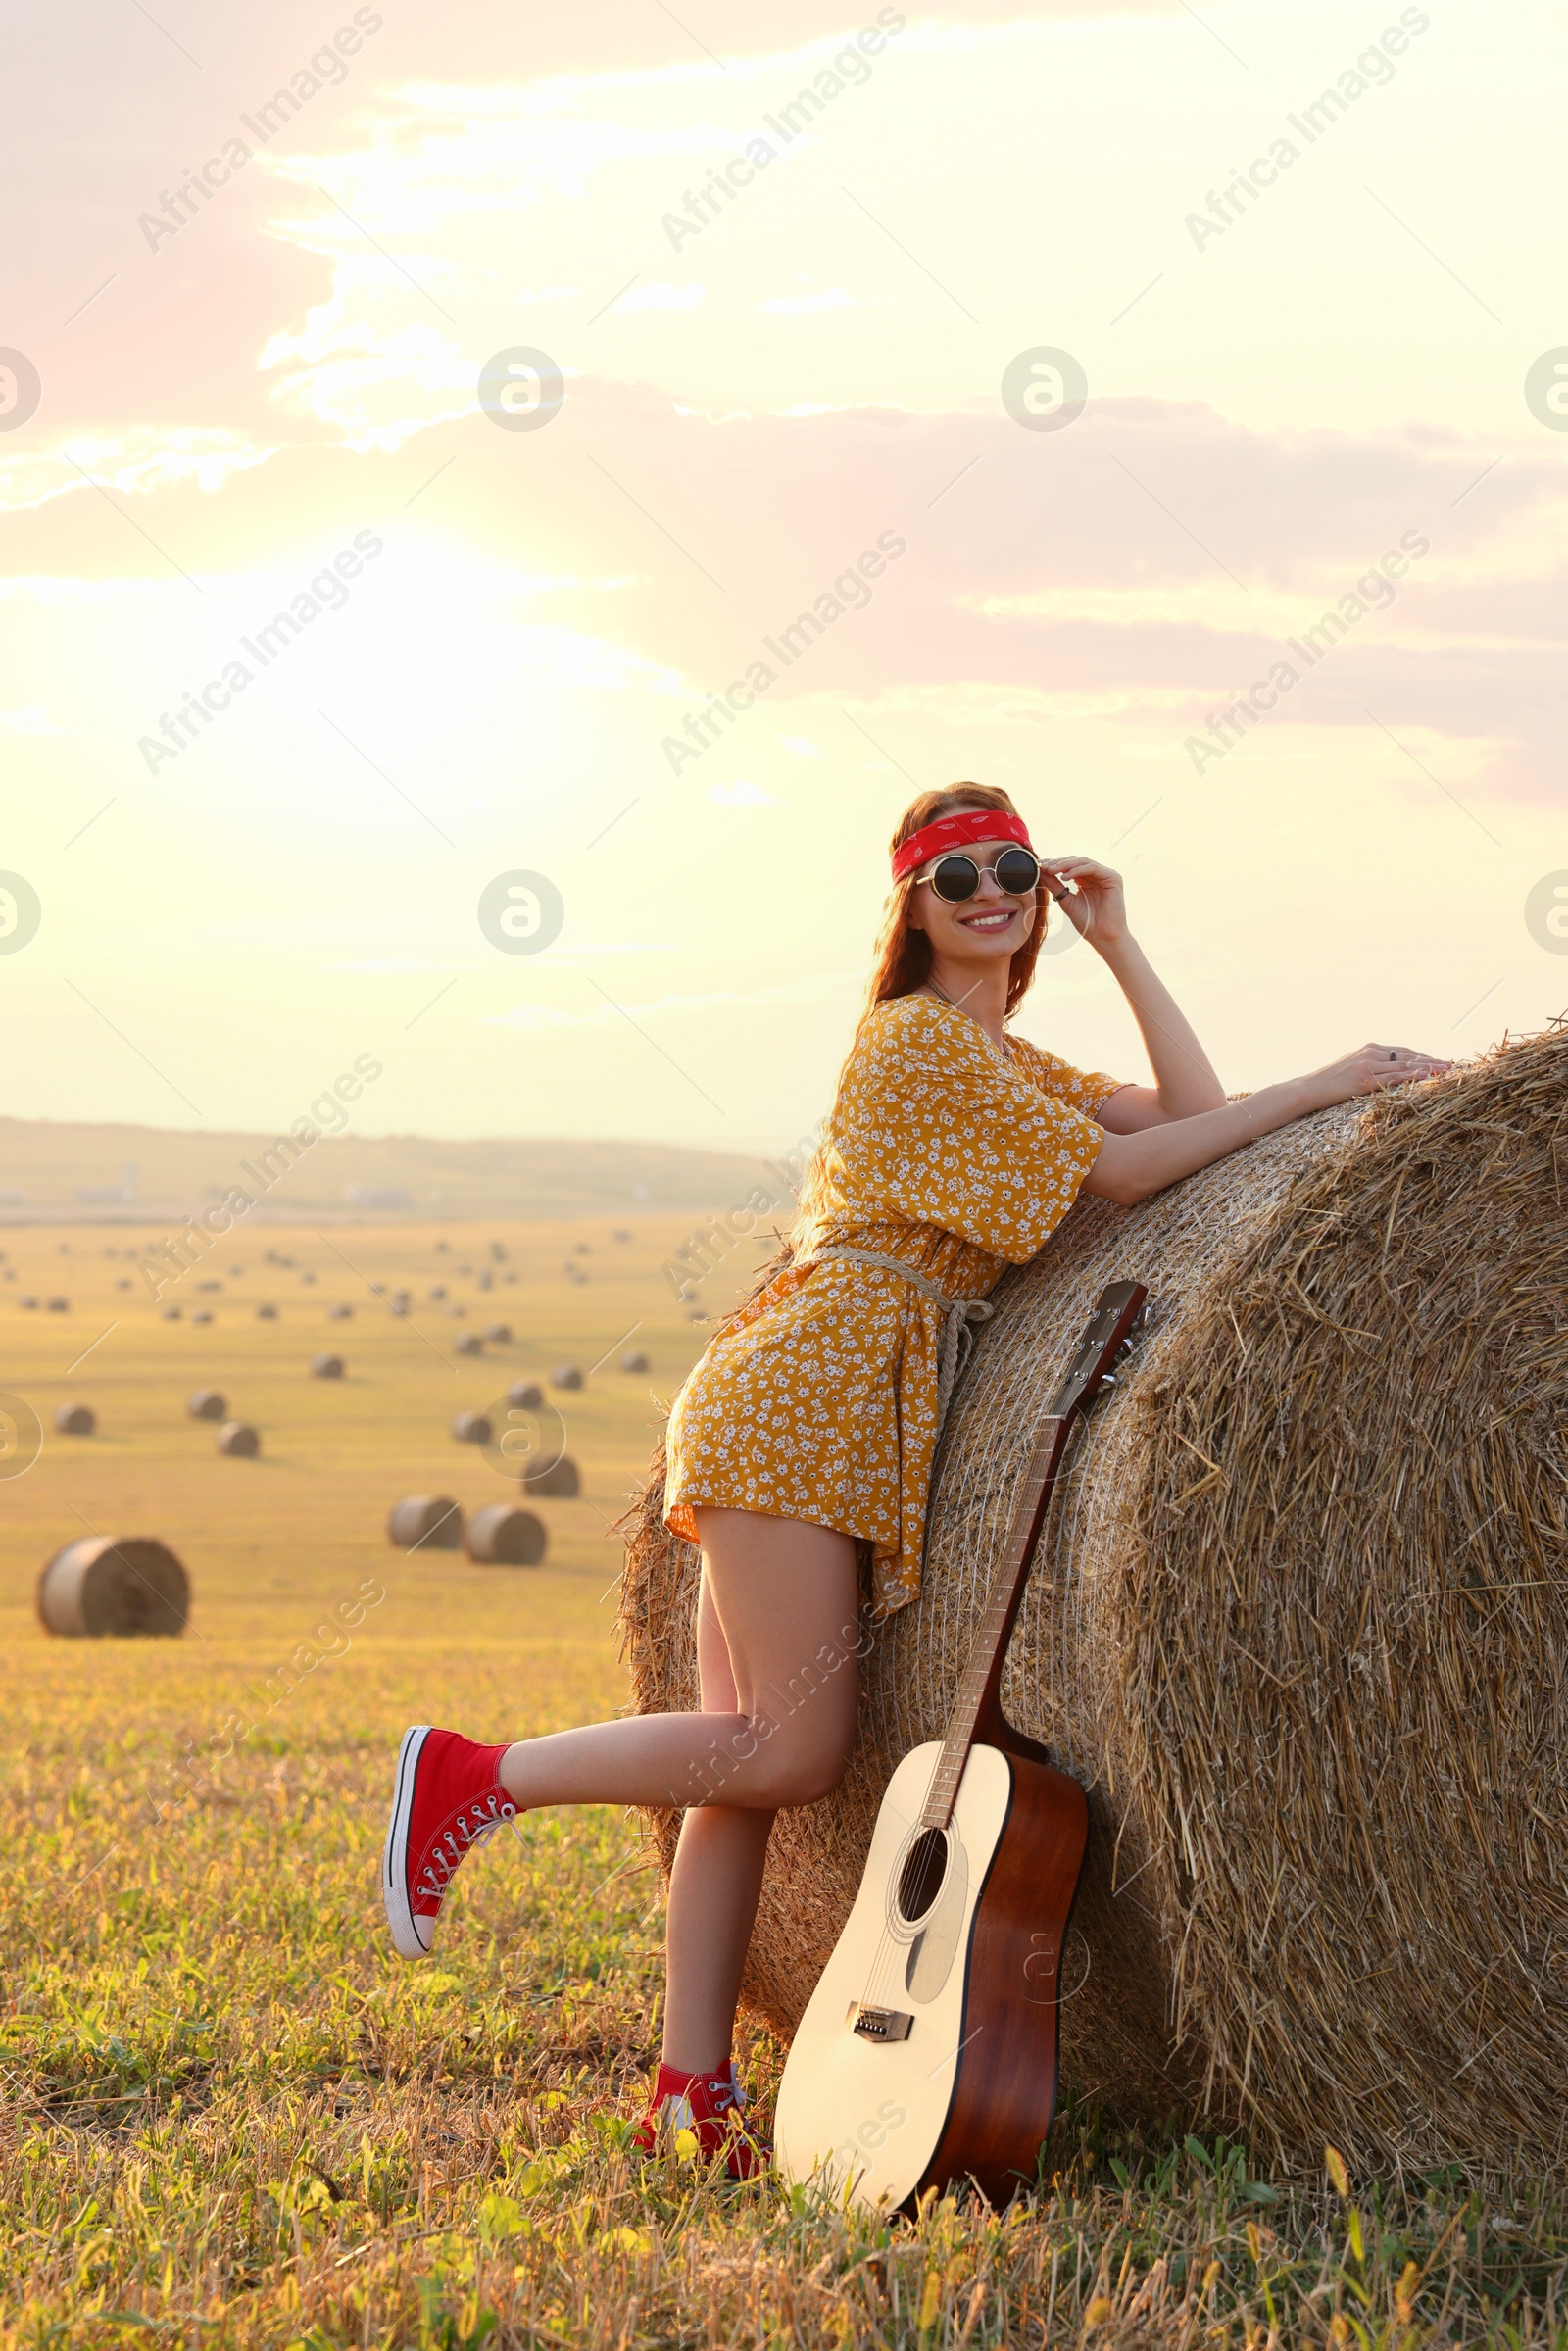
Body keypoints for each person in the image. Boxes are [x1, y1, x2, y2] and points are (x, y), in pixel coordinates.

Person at [380, 783, 1449, 2176]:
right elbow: (1135, 1180)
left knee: (739, 1774)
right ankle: (475, 1775)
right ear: (913, 908)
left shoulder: (1009, 1062)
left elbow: (1198, 1120)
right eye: (957, 877)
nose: (992, 891)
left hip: (824, 1393)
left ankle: (687, 2091)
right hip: (812, 1386)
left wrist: (1123, 946)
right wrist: (1324, 1086)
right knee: (789, 1752)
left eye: (1011, 868)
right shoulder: (912, 1045)